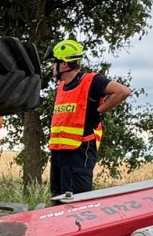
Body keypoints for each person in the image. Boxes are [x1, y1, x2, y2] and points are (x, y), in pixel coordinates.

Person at [47, 39, 131, 197]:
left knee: (76, 201)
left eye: (54, 62)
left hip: (79, 153)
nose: (52, 66)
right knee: (56, 197)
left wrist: (98, 111)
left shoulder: (91, 81)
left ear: (64, 64)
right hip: (59, 153)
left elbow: (123, 91)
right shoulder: (61, 87)